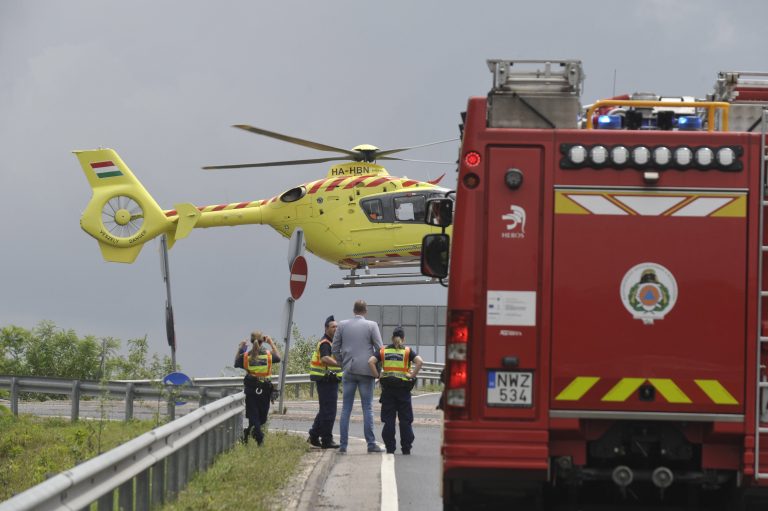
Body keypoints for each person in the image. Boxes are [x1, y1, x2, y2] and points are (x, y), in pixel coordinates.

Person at [332, 299, 384, 454]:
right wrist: (377, 369)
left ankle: (343, 445)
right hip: (367, 371)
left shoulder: (342, 325)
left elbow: (335, 348)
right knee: (367, 408)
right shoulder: (371, 325)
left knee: (346, 408)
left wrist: (343, 363)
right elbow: (380, 349)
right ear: (365, 311)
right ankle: (370, 443)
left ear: (353, 310)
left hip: (349, 369)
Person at [368, 326, 423, 455]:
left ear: (392, 338)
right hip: (403, 391)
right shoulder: (407, 351)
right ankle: (406, 447)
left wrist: (378, 375)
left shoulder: (383, 351)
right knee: (405, 420)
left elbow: (371, 361)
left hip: (388, 391)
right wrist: (412, 375)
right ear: (403, 339)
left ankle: (390, 448)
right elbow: (420, 362)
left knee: (389, 420)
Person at [234, 331, 281, 446]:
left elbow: (236, 363)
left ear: (251, 342)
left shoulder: (246, 356)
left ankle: (247, 433)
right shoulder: (268, 355)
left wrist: (241, 348)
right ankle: (259, 437)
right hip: (264, 389)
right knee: (260, 417)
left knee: (254, 416)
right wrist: (271, 343)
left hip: (251, 389)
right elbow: (279, 357)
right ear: (262, 341)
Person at [307, 315, 342, 449]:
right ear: (326, 328)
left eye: (337, 327)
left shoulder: (333, 342)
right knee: (329, 411)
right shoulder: (325, 343)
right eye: (333, 327)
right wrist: (340, 365)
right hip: (325, 379)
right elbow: (325, 358)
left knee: (324, 411)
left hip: (329, 380)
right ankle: (327, 440)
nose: (336, 329)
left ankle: (314, 436)